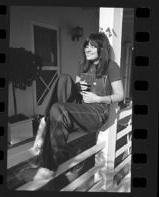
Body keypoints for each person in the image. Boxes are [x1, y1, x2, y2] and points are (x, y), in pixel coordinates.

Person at [26, 32, 124, 184]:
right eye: (86, 46)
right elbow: (76, 90)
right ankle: (46, 122)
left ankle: (50, 167)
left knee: (58, 110)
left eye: (92, 46)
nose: (87, 49)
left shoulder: (111, 66)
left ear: (101, 48)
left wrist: (98, 98)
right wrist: (80, 88)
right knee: (64, 78)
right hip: (81, 107)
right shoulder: (82, 64)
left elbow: (120, 95)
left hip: (97, 112)